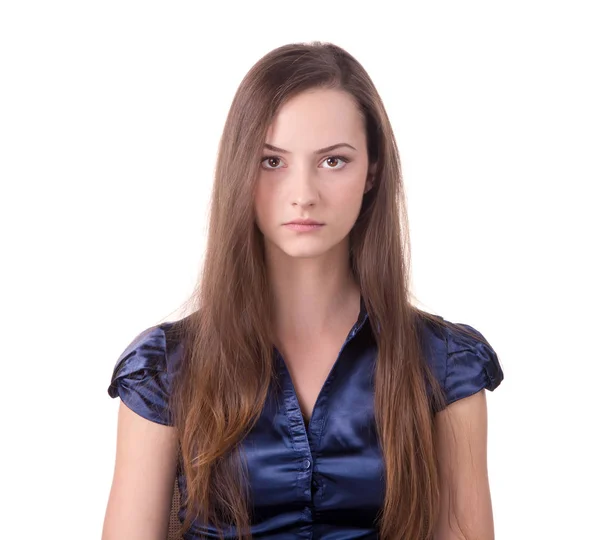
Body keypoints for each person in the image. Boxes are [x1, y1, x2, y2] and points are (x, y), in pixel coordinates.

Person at [102, 41, 504, 540]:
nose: (303, 194)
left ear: (372, 171)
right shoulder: (165, 369)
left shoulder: (445, 365)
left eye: (333, 161)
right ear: (239, 170)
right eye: (272, 162)